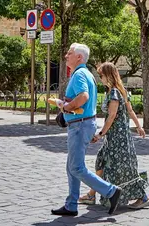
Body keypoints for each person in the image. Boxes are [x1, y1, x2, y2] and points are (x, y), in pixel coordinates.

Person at [49, 44, 123, 217]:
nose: (66, 56)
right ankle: (71, 205)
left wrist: (66, 107)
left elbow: (83, 96)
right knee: (72, 167)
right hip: (83, 124)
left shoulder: (79, 74)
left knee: (76, 167)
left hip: (79, 126)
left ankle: (111, 191)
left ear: (79, 57)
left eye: (69, 53)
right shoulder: (86, 73)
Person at [78, 62, 149, 209]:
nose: (100, 78)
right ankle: (91, 194)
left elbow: (111, 116)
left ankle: (143, 197)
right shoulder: (120, 91)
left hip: (117, 138)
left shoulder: (114, 93)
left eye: (101, 75)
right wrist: (138, 126)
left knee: (124, 168)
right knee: (102, 161)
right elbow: (130, 111)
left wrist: (100, 134)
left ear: (108, 75)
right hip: (118, 136)